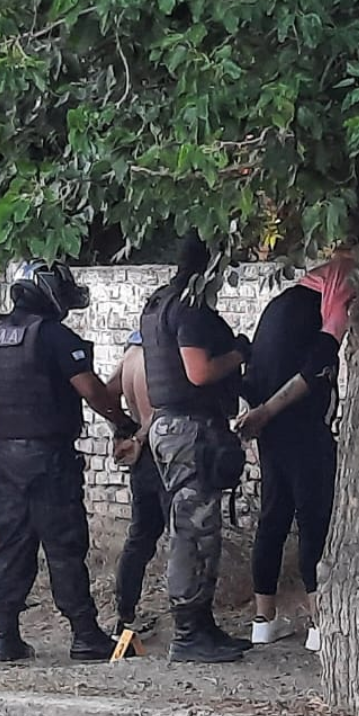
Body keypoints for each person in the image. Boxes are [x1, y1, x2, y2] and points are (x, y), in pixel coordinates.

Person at [0, 260, 140, 663]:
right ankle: (84, 634)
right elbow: (91, 391)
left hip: (2, 456)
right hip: (47, 457)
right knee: (63, 544)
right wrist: (124, 422)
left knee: (13, 544)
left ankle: (5, 636)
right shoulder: (53, 335)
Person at [141, 234, 252, 664]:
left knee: (201, 532)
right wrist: (239, 353)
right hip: (189, 429)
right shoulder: (187, 306)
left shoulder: (160, 303)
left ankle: (202, 626)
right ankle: (188, 634)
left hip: (175, 426)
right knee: (191, 533)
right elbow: (199, 371)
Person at [235, 254, 354, 651]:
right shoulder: (323, 311)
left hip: (270, 431)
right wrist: (270, 410)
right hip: (300, 426)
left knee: (273, 517)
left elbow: (252, 375)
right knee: (314, 518)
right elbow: (313, 369)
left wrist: (257, 416)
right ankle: (320, 626)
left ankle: (262, 621)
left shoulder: (278, 307)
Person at [109, 332, 166, 635]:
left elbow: (105, 392)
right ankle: (190, 621)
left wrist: (123, 427)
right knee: (185, 535)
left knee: (140, 537)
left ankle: (125, 614)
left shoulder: (130, 357)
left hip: (142, 457)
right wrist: (141, 434)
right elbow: (164, 406)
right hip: (163, 449)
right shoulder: (157, 357)